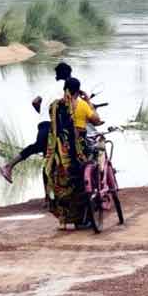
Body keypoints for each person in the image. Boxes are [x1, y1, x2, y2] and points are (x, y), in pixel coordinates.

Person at [0, 62, 73, 183]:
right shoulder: (67, 86)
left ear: (57, 76)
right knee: (70, 148)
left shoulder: (49, 87)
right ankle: (8, 166)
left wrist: (43, 113)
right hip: (54, 125)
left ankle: (52, 188)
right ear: (69, 75)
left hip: (43, 123)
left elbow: (35, 102)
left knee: (41, 149)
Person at [44, 77, 102, 228]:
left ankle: (63, 220)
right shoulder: (82, 105)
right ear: (78, 90)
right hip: (77, 149)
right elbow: (96, 120)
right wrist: (88, 101)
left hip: (58, 150)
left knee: (60, 183)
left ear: (65, 88)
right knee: (85, 176)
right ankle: (82, 219)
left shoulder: (54, 106)